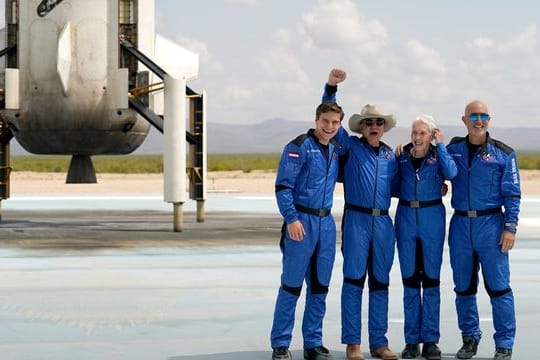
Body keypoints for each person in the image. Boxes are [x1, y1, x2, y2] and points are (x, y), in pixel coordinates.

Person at [323, 69, 399, 360]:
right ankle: (353, 344)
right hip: (356, 221)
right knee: (354, 281)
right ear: (361, 127)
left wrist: (438, 186)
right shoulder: (350, 147)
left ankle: (379, 343)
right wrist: (331, 87)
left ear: (384, 127)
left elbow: (407, 183)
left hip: (383, 223)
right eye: (369, 123)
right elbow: (331, 118)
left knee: (380, 282)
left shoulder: (393, 156)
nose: (374, 126)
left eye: (379, 122)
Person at [270, 101, 345, 360]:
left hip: (326, 225)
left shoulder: (336, 149)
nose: (329, 127)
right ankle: (280, 344)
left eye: (335, 123)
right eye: (326, 121)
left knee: (320, 287)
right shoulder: (299, 146)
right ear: (316, 120)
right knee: (291, 286)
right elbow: (283, 187)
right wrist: (291, 219)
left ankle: (313, 342)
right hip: (300, 222)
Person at [446, 100, 520, 360]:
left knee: (499, 288)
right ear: (464, 120)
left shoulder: (504, 153)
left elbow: (512, 194)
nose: (479, 120)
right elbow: (435, 169)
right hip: (460, 226)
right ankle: (469, 338)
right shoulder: (452, 149)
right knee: (463, 287)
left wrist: (510, 227)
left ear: (489, 119)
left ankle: (504, 344)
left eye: (484, 115)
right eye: (473, 115)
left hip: (491, 226)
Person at [394, 115, 457, 359]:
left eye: (423, 133)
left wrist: (441, 146)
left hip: (432, 219)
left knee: (431, 280)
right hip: (406, 218)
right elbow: (392, 185)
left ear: (431, 135)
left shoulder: (438, 156)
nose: (418, 138)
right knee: (410, 279)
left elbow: (451, 172)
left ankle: (430, 340)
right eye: (414, 133)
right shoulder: (401, 156)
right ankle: (411, 341)